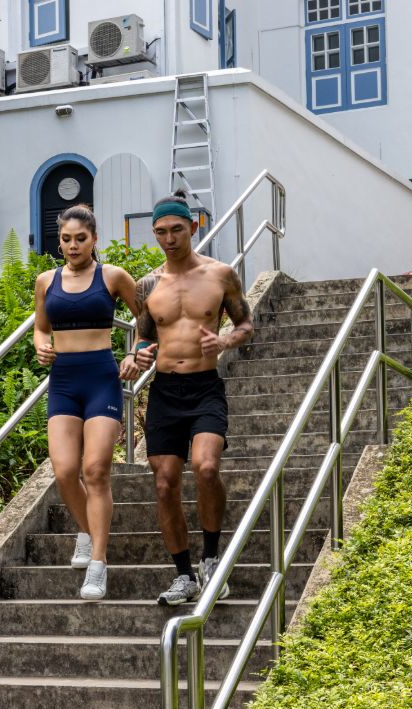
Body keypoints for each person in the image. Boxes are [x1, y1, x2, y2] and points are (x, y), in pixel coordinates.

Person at [120, 189, 254, 606]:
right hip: (164, 392)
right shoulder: (147, 285)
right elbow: (144, 336)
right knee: (164, 484)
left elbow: (246, 324)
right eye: (160, 231)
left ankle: (211, 559)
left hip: (204, 388)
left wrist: (226, 340)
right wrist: (135, 356)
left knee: (207, 467)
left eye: (176, 229)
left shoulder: (220, 275)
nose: (168, 238)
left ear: (192, 227)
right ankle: (184, 576)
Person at [34, 204, 141, 601]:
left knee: (95, 470)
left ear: (94, 239)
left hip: (101, 377)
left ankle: (98, 563)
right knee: (64, 471)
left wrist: (134, 352)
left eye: (81, 238)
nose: (73, 245)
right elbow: (41, 327)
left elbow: (145, 319)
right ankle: (85, 529)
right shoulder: (46, 281)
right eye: (66, 239)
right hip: (63, 381)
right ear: (59, 241)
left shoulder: (112, 276)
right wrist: (42, 346)